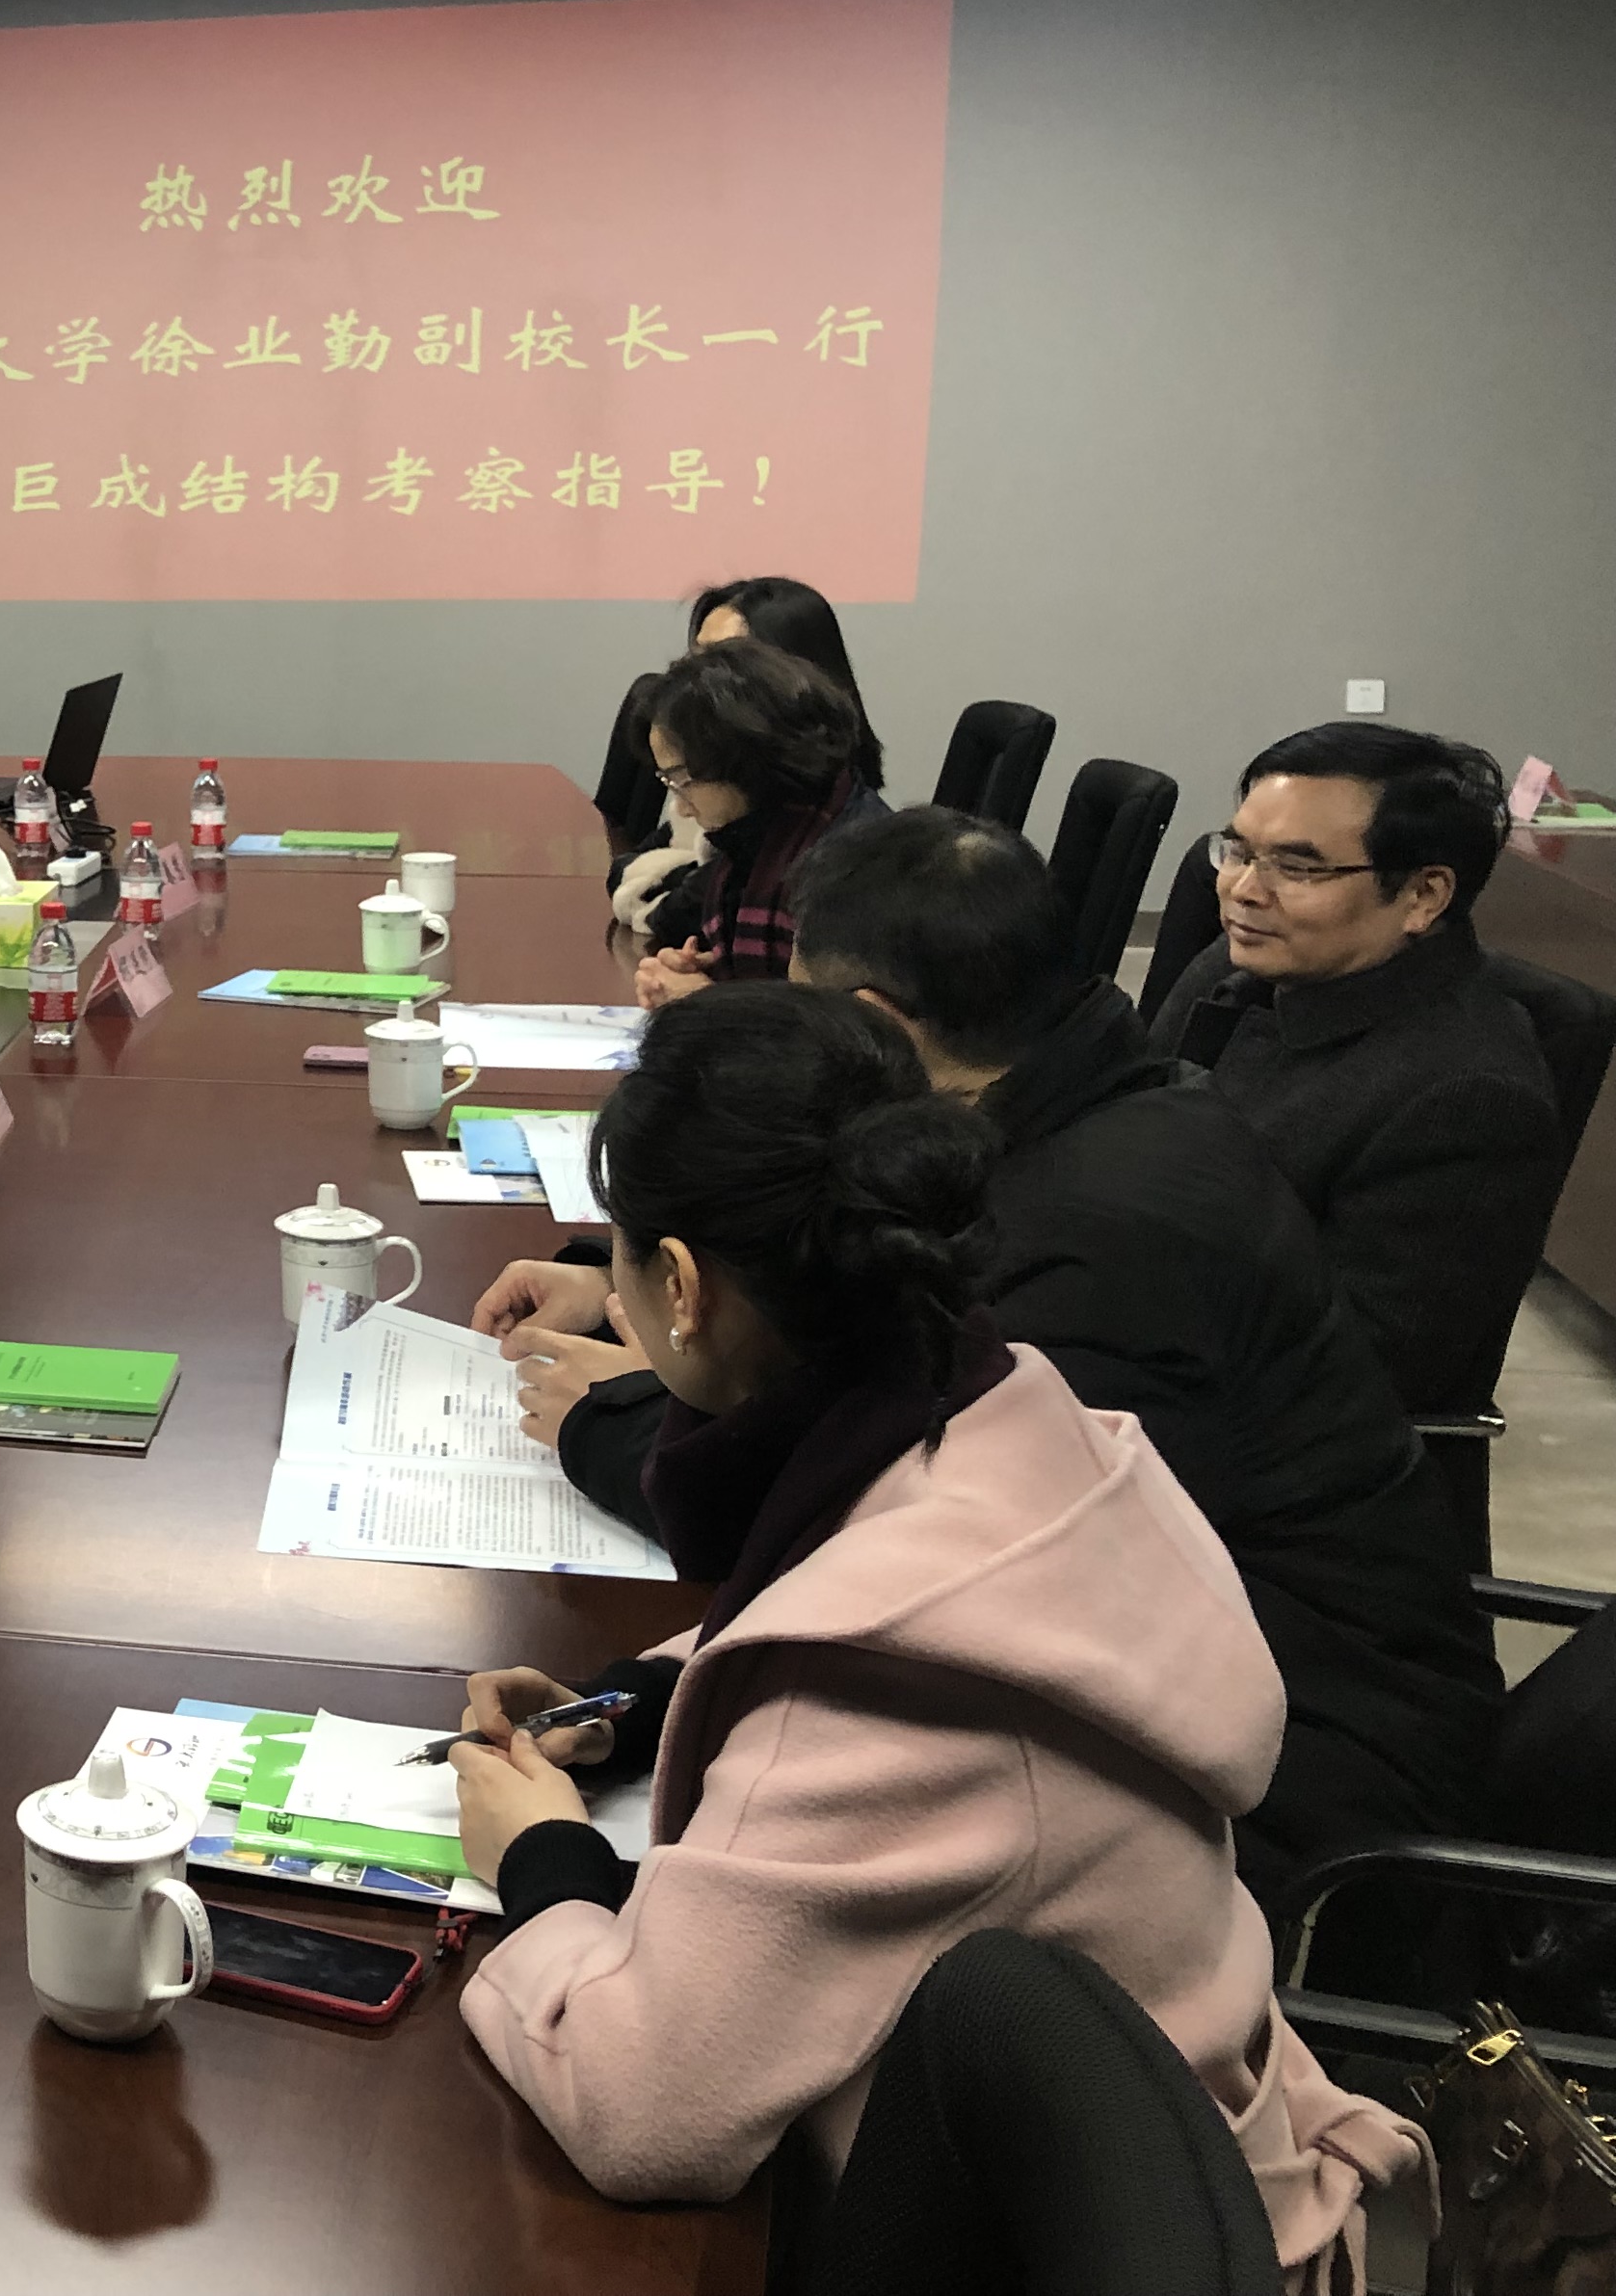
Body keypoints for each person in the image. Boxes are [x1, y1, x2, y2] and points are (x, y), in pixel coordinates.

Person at [443, 981, 1423, 2275]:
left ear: (677, 1287)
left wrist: (543, 1864)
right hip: (1194, 2153)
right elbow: (877, 1599)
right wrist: (641, 1701)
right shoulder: (1016, 1411)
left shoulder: (882, 1694)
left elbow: (640, 2111)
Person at [491, 808, 1500, 1901]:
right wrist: (646, 1701)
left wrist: (625, 1414)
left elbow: (883, 1541)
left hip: (1284, 1786)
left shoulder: (1078, 1242)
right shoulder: (1091, 1108)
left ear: (872, 1027)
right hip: (1190, 1683)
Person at [1149, 724, 1565, 1419]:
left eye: (1297, 868)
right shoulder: (1241, 966)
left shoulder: (1468, 1099)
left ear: (1423, 896)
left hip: (1255, 1444)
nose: (1243, 890)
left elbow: (1363, 1375)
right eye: (1238, 852)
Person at [626, 640, 887, 1005]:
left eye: (681, 779)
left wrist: (708, 1003)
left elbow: (845, 1025)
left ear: (743, 761)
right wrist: (716, 970)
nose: (681, 807)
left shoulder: (855, 869)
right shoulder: (759, 837)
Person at [606, 578, 885, 921]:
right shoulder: (711, 781)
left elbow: (678, 910)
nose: (697, 680)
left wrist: (668, 883)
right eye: (697, 657)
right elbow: (627, 871)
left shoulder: (827, 831)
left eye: (723, 662)